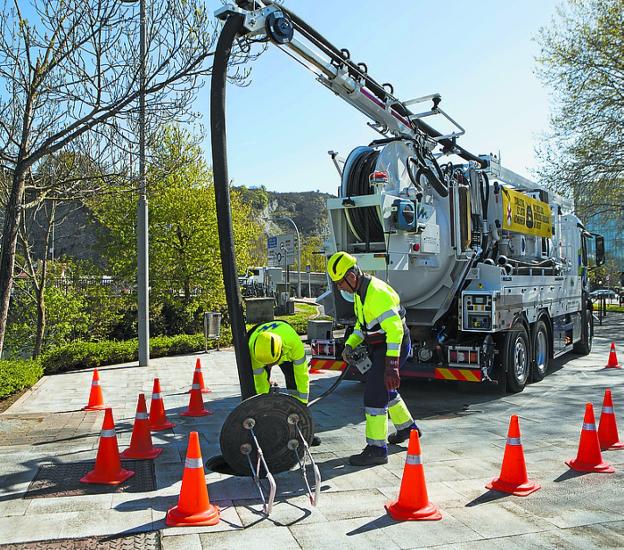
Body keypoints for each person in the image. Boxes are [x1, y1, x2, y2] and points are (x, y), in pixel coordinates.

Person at [327, 251, 421, 466]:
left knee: (374, 395)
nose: (338, 287)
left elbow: (395, 330)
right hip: (381, 347)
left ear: (351, 277)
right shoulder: (361, 293)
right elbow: (363, 326)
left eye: (339, 283)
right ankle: (408, 428)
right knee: (385, 389)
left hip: (393, 347)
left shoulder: (376, 293)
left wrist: (392, 366)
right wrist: (350, 344)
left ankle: (377, 450)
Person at [248, 319, 320, 445]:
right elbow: (259, 382)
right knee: (258, 395)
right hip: (257, 337)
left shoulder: (294, 345)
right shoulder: (253, 351)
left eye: (272, 363)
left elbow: (302, 376)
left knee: (294, 383)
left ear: (281, 353)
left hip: (285, 338)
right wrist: (266, 409)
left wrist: (301, 407)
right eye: (267, 364)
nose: (270, 366)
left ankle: (303, 432)